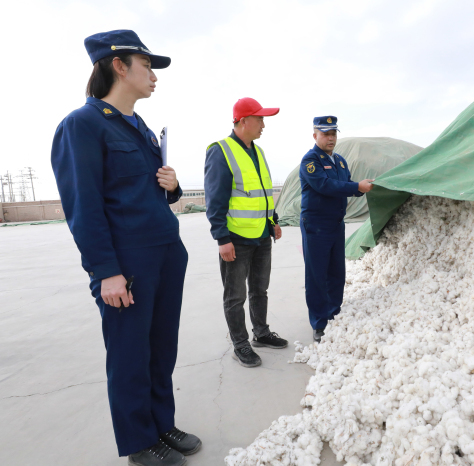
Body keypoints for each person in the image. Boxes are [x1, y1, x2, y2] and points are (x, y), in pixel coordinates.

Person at [51, 30, 200, 466]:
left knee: (161, 348)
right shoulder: (82, 125)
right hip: (127, 263)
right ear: (119, 65)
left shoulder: (142, 129)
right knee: (130, 353)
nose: (153, 75)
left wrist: (171, 190)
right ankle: (138, 442)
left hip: (164, 254)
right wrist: (105, 271)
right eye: (147, 65)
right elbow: (84, 206)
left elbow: (143, 194)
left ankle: (161, 425)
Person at [204, 97, 288, 368]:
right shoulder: (222, 150)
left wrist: (272, 221)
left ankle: (261, 334)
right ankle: (240, 344)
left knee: (260, 290)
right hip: (236, 239)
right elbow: (215, 199)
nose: (264, 124)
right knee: (235, 296)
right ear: (243, 121)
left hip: (262, 236)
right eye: (260, 119)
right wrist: (222, 238)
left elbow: (263, 192)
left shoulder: (258, 151)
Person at [299, 116, 374, 342]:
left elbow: (346, 186)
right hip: (316, 225)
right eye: (325, 134)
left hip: (336, 223)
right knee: (317, 274)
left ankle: (334, 313)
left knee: (336, 273)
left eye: (333, 134)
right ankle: (319, 323)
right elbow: (325, 185)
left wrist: (361, 188)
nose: (331, 138)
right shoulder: (310, 161)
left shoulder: (340, 161)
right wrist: (356, 187)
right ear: (315, 136)